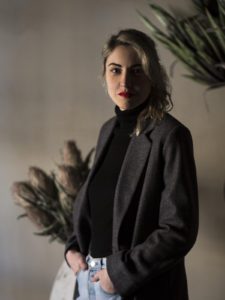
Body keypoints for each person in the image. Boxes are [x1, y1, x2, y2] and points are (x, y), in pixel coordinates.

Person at [65, 28, 198, 300]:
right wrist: (73, 247)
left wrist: (119, 273)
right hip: (88, 280)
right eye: (116, 70)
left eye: (137, 71)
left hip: (135, 287)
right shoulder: (108, 130)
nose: (125, 81)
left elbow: (178, 230)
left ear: (152, 76)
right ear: (104, 74)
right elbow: (99, 207)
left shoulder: (170, 136)